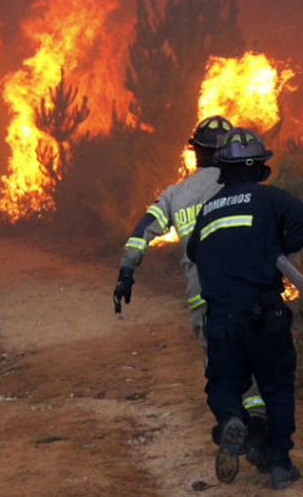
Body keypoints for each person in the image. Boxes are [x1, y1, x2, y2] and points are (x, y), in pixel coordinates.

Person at [112, 115, 269, 471]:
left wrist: (126, 270)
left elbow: (142, 230)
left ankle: (233, 420)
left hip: (204, 299)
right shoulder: (241, 185)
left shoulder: (176, 194)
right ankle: (259, 434)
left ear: (195, 152)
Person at [186, 127, 303, 490]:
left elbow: (195, 252)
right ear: (260, 167)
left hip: (223, 320)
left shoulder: (209, 210)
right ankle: (278, 465)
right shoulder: (268, 198)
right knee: (275, 387)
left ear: (223, 170)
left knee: (224, 384)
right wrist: (275, 251)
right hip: (265, 315)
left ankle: (231, 419)